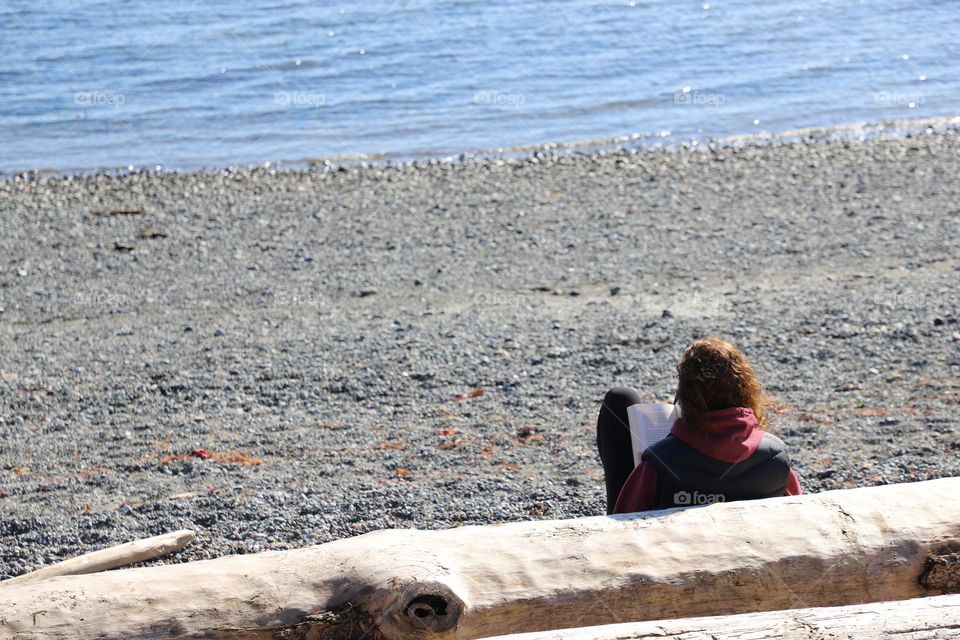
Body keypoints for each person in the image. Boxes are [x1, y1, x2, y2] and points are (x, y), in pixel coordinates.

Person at [596, 336, 802, 514]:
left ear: (687, 396)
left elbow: (624, 520)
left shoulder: (659, 463)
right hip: (756, 553)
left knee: (620, 399)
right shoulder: (776, 457)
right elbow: (799, 515)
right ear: (745, 390)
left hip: (673, 557)